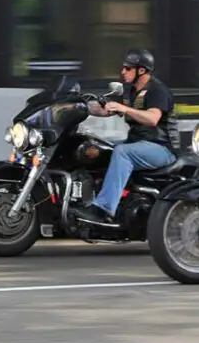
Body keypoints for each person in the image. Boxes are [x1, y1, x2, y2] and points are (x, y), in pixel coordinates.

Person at [71, 48, 180, 226]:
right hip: (138, 143)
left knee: (122, 152)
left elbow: (153, 119)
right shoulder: (130, 91)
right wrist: (77, 105)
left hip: (162, 148)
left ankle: (103, 209)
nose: (123, 72)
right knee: (95, 147)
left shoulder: (157, 90)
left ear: (141, 70)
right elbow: (104, 110)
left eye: (128, 68)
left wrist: (125, 109)